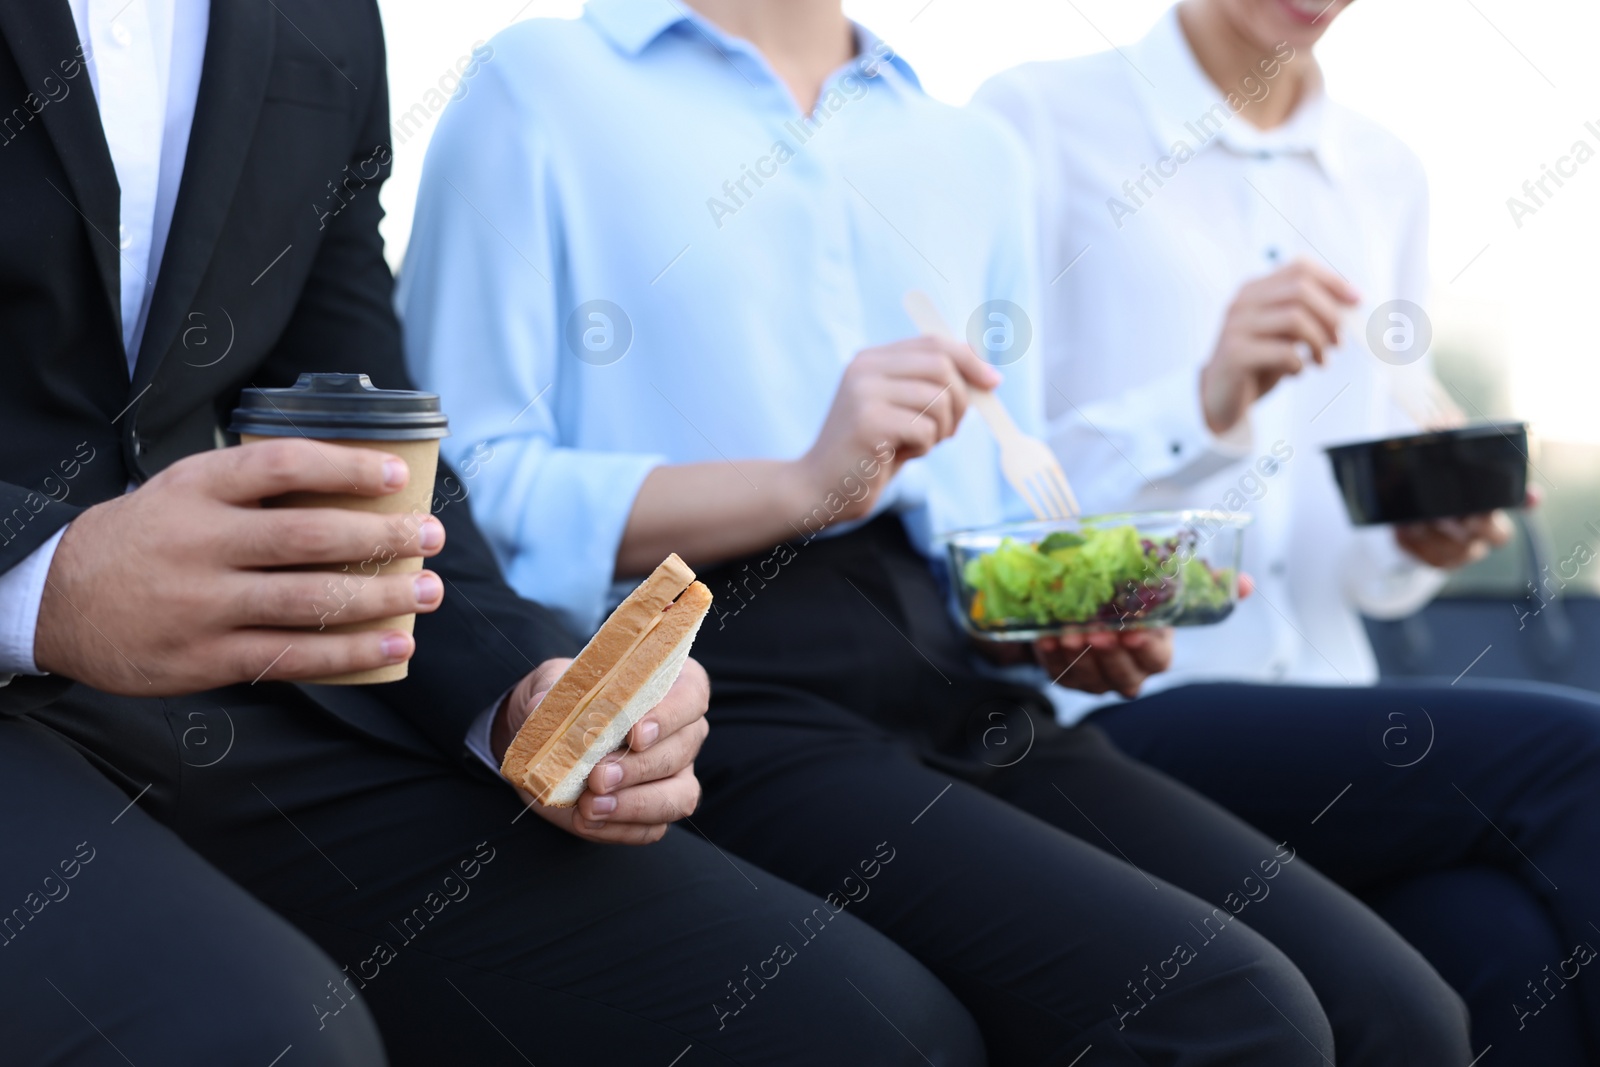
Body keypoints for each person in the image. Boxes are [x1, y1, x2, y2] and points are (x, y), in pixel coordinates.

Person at [398, 1, 1491, 1062]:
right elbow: (465, 491)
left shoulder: (965, 149)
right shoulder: (540, 85)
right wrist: (796, 485)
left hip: (963, 677)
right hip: (719, 684)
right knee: (1225, 1010)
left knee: (1397, 1010)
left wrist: (1060, 618)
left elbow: (993, 497)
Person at [0, 2, 990, 1064]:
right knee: (261, 1037)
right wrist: (47, 581)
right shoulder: (538, 85)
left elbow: (365, 412)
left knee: (861, 1024)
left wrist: (518, 692)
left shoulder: (325, 18)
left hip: (244, 691)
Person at [974, 0, 1600, 1061]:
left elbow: (1351, 562)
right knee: (1578, 753)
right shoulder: (1030, 125)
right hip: (1120, 713)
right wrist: (1202, 400)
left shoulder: (1383, 170)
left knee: (1500, 943)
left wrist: (1418, 538)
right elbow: (979, 512)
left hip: (1331, 718)